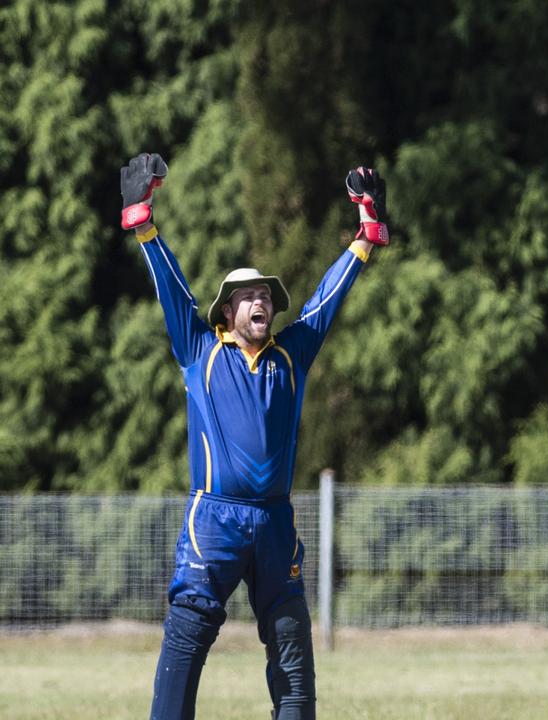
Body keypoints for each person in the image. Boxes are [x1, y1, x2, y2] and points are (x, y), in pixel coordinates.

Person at [121, 152, 390, 720]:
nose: (262, 299)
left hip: (273, 524)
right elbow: (171, 288)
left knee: (292, 651)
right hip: (214, 520)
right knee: (187, 638)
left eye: (267, 294)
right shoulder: (201, 352)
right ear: (227, 311)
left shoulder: (292, 355)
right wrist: (143, 222)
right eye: (249, 295)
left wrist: (365, 238)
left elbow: (325, 300)